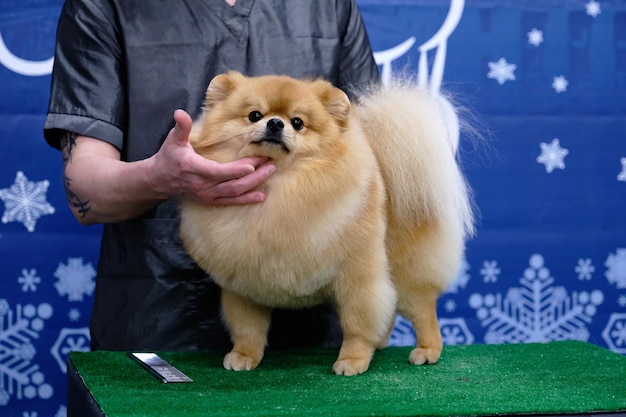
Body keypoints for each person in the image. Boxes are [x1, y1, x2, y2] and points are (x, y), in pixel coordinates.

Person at [44, 0, 381, 352]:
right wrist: (159, 177)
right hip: (157, 320)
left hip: (313, 337)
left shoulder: (330, 6)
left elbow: (373, 154)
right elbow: (84, 192)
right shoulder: (103, 5)